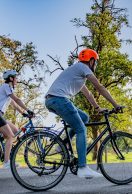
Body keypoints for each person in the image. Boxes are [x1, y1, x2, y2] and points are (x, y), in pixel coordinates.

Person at [45, 49, 122, 178]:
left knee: (84, 118)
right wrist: (115, 104)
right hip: (59, 99)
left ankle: (63, 144)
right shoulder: (82, 67)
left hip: (53, 100)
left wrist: (97, 108)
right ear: (91, 61)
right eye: (95, 63)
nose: (95, 66)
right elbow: (100, 87)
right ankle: (82, 167)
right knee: (81, 129)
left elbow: (89, 95)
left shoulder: (78, 73)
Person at [0, 70, 35, 169]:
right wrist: (28, 110)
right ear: (11, 78)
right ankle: (6, 162)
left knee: (16, 132)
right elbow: (17, 99)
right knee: (10, 136)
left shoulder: (8, 90)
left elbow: (14, 103)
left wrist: (23, 113)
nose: (17, 80)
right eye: (16, 78)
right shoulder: (6, 86)